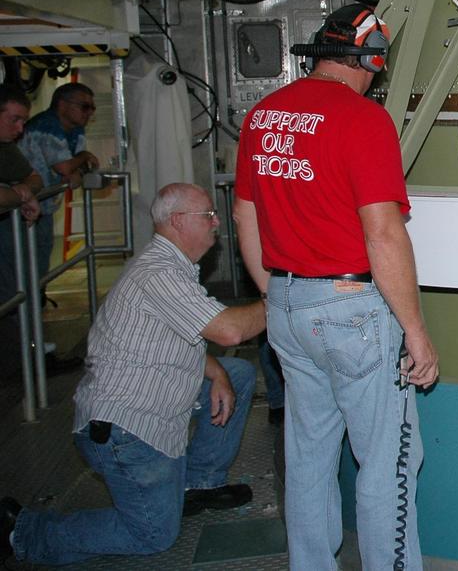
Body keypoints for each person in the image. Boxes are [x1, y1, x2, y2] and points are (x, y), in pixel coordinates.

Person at [233, 4, 439, 571]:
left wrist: (278, 291)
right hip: (352, 312)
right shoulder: (363, 120)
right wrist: (415, 330)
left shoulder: (264, 115)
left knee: (308, 457)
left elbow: (244, 214)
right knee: (388, 461)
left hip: (288, 307)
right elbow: (383, 235)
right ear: (371, 61)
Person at [0, 183, 266, 565]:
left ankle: (198, 483)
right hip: (127, 430)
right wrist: (276, 298)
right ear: (178, 222)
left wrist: (218, 374)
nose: (216, 222)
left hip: (151, 404)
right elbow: (230, 331)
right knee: (154, 534)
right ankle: (23, 531)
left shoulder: (174, 267)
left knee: (236, 372)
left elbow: (181, 335)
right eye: (208, 215)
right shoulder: (158, 273)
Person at [18, 82, 99, 374]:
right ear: (63, 105)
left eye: (92, 107)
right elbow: (66, 168)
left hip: (39, 213)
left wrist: (79, 164)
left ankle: (34, 348)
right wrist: (84, 159)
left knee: (36, 279)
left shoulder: (73, 131)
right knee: (23, 282)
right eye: (84, 106)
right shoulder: (46, 126)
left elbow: (73, 170)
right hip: (21, 217)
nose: (89, 113)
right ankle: (27, 353)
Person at [0, 85, 42, 377]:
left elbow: (34, 177)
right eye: (14, 119)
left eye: (23, 121)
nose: (20, 128)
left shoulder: (5, 148)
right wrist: (19, 195)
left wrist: (24, 190)